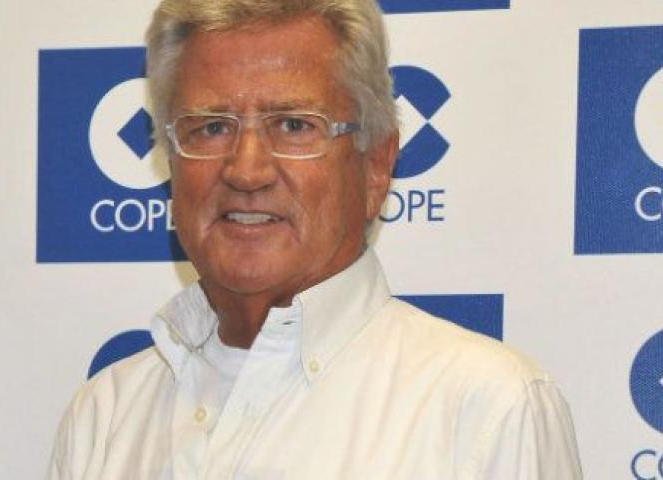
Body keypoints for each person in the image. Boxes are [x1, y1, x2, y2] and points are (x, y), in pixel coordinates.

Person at [48, 0, 583, 478]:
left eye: (294, 125)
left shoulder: (486, 412)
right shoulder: (105, 418)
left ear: (376, 165)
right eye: (211, 127)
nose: (246, 170)